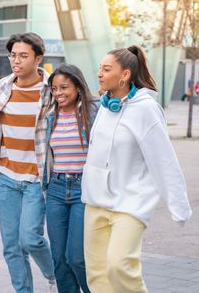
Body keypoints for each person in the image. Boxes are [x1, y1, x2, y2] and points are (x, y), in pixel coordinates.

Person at [82, 45, 193, 293]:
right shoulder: (105, 107)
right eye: (100, 67)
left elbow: (164, 160)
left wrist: (179, 207)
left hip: (130, 202)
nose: (99, 73)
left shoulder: (145, 109)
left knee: (119, 267)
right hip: (96, 202)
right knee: (97, 276)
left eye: (106, 69)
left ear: (125, 75)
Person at [0, 32, 57, 293]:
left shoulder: (51, 90)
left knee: (30, 238)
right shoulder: (2, 88)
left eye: (23, 56)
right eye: (13, 55)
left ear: (38, 58)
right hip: (7, 177)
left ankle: (56, 275)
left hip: (36, 179)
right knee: (11, 246)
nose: (15, 61)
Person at [43, 65, 97, 293]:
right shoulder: (50, 117)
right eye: (54, 89)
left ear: (78, 87)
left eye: (64, 87)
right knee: (59, 260)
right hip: (56, 189)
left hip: (83, 189)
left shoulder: (93, 112)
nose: (59, 93)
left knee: (77, 258)